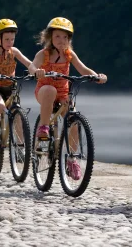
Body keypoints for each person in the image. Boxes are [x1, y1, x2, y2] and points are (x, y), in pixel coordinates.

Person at [32, 17, 107, 180]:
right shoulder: (43, 54)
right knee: (50, 90)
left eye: (65, 37)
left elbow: (83, 68)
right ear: (50, 37)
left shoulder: (68, 54)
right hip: (44, 92)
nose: (61, 40)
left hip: (63, 94)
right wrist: (36, 71)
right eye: (58, 36)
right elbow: (32, 66)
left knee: (72, 121)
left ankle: (72, 158)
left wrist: (96, 76)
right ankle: (43, 127)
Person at [0, 18, 45, 138]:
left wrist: (36, 71)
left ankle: (21, 149)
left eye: (12, 39)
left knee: (18, 116)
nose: (10, 42)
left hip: (10, 87)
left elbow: (29, 64)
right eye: (7, 39)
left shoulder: (14, 52)